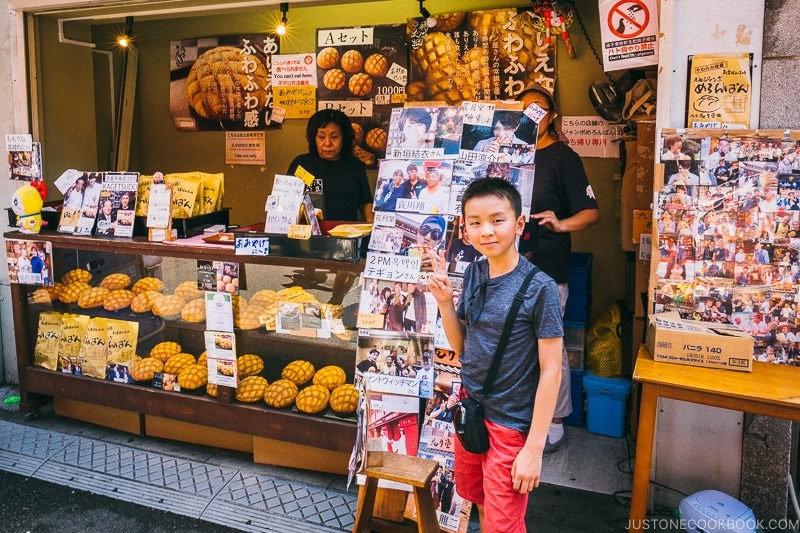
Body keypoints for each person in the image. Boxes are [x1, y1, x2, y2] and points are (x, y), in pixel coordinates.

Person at [428, 177, 562, 532]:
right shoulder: (475, 272)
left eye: (497, 220)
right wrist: (444, 303)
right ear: (465, 229)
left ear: (519, 224)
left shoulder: (540, 288)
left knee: (504, 525)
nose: (486, 231)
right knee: (483, 504)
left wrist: (534, 449)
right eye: (475, 222)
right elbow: (464, 349)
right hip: (472, 411)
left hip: (512, 426)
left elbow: (552, 372)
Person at [517, 83, 600, 455]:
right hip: (506, 267)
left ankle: (555, 422)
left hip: (548, 267)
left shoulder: (563, 157)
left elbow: (591, 213)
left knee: (550, 346)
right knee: (515, 346)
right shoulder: (507, 154)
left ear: (551, 117)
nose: (530, 114)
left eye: (538, 109)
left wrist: (561, 223)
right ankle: (521, 418)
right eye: (523, 109)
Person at [286, 109, 374, 303]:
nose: (327, 143)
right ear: (313, 138)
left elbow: (365, 201)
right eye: (321, 136)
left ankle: (335, 304)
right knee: (306, 297)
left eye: (334, 137)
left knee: (340, 297)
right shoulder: (301, 164)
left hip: (345, 244)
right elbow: (286, 201)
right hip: (308, 242)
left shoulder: (354, 166)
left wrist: (371, 227)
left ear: (344, 139)